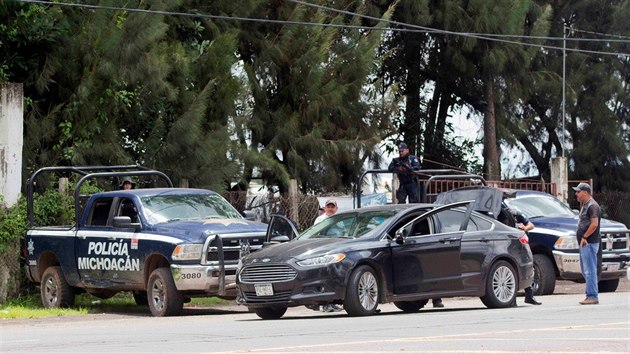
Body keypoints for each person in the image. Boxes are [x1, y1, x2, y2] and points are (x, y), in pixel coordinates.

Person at [573, 182, 601, 305]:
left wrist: (585, 236)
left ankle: (592, 296)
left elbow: (594, 224)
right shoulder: (585, 205)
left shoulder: (592, 206)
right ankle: (590, 294)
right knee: (586, 270)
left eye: (578, 192)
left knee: (589, 270)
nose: (576, 194)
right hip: (585, 243)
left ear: (585, 192)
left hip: (589, 242)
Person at [509, 206, 542, 305]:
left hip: (520, 245)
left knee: (527, 267)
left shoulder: (514, 211)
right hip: (507, 246)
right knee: (511, 270)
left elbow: (531, 225)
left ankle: (529, 295)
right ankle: (511, 299)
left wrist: (524, 228)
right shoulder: (495, 213)